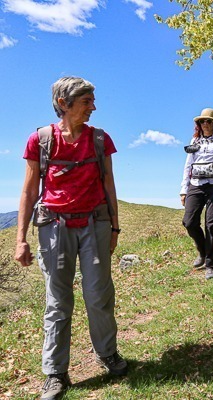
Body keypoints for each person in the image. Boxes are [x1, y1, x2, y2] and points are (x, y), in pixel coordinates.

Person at [14, 77, 126, 400]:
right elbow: (29, 190)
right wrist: (20, 238)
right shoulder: (40, 140)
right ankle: (55, 373)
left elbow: (109, 185)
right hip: (54, 228)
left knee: (98, 294)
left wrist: (114, 228)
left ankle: (107, 353)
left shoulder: (100, 140)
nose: (93, 107)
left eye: (92, 100)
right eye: (86, 101)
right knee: (58, 300)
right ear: (63, 103)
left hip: (95, 224)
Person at [180, 108, 213, 279]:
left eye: (209, 121)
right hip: (196, 185)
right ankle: (203, 251)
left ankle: (211, 264)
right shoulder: (194, 142)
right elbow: (187, 166)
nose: (205, 124)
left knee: (212, 225)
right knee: (189, 222)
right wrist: (184, 190)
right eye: (202, 121)